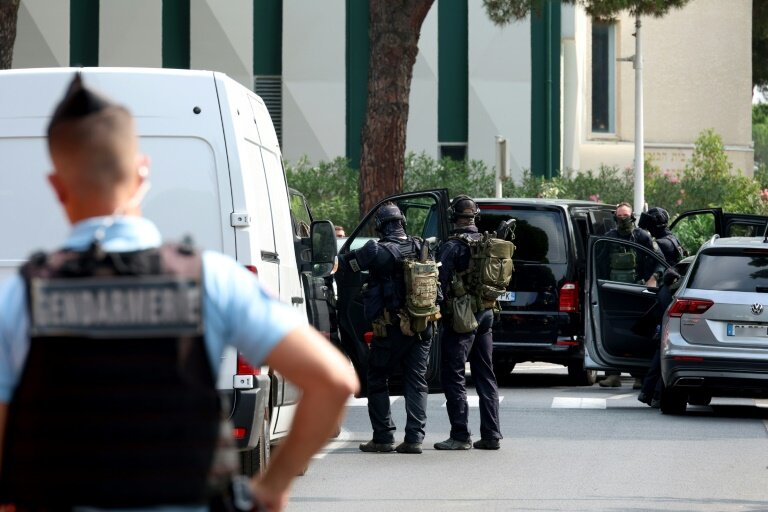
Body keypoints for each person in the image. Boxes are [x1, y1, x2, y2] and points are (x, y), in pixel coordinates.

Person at [0, 75, 359, 512]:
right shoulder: (211, 280)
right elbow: (333, 381)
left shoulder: (21, 299)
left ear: (56, 186)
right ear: (142, 171)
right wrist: (272, 487)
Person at [337, 202, 438, 455]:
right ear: (402, 221)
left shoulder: (375, 249)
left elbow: (347, 268)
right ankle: (414, 438)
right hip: (421, 325)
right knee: (416, 381)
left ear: (380, 225)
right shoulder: (421, 246)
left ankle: (383, 438)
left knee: (377, 377)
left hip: (391, 327)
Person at [434, 195, 502, 451]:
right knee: (486, 375)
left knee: (454, 376)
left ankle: (460, 435)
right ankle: (492, 435)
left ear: (454, 217)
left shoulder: (452, 246)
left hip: (461, 318)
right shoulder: (487, 242)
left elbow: (438, 281)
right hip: (486, 313)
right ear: (475, 216)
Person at [599, 202, 662, 388]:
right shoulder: (609, 238)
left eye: (625, 216)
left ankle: (639, 376)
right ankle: (612, 375)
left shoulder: (643, 236)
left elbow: (659, 261)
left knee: (638, 333)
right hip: (613, 291)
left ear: (632, 216)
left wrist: (653, 278)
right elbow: (599, 261)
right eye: (619, 216)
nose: (622, 219)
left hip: (637, 292)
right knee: (612, 332)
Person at [636, 267, 682, 408]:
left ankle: (647, 393)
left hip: (663, 332)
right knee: (661, 366)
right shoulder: (671, 294)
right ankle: (655, 395)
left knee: (657, 365)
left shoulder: (663, 291)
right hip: (668, 333)